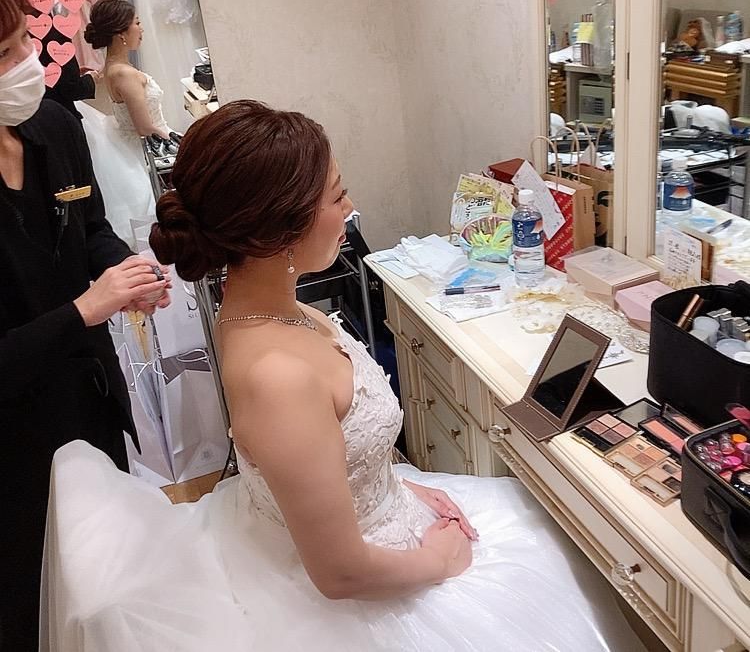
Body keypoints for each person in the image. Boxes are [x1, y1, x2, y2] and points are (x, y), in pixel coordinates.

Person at [46, 99, 646, 650]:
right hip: (355, 587)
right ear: (281, 230)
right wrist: (440, 561)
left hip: (382, 516)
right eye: (337, 197)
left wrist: (399, 489)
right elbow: (339, 574)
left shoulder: (266, 310)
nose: (351, 210)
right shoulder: (278, 375)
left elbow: (334, 464)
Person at [0, 0, 171, 651]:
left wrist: (126, 274)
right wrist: (83, 309)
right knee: (32, 600)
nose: (28, 62)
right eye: (5, 53)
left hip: (88, 401)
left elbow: (91, 225)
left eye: (24, 40)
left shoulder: (52, 127)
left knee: (107, 583)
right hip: (14, 438)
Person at [81, 0, 172, 247]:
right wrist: (178, 141)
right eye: (137, 23)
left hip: (132, 142)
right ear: (122, 32)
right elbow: (144, 127)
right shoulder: (123, 73)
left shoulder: (112, 66)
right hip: (143, 149)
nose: (141, 30)